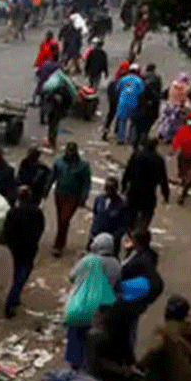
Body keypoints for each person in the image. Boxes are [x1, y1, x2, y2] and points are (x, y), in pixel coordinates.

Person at [66, 234, 123, 368]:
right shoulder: (116, 264)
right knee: (93, 341)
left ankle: (75, 367)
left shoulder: (89, 261)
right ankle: (89, 365)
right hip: (103, 309)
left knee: (75, 337)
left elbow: (72, 277)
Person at [3, 186, 46, 319]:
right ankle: (11, 301)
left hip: (17, 249)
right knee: (23, 274)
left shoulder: (13, 212)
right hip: (29, 248)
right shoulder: (36, 212)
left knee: (18, 271)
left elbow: (7, 231)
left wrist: (11, 245)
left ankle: (15, 298)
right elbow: (41, 228)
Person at [51, 142, 92, 257]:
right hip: (60, 194)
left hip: (73, 196)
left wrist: (83, 198)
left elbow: (86, 183)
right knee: (61, 220)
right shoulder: (59, 162)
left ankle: (58, 245)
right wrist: (45, 191)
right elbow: (52, 177)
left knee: (65, 219)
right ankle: (61, 240)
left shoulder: (83, 166)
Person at [122, 138, 171, 230]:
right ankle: (140, 233)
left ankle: (131, 234)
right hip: (149, 193)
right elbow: (163, 179)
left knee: (131, 216)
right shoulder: (159, 160)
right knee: (146, 216)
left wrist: (123, 186)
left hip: (134, 192)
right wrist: (166, 194)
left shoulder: (136, 156)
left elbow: (127, 172)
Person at [89, 176, 130, 255]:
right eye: (107, 188)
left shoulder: (122, 204)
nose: (108, 191)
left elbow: (124, 224)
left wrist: (115, 237)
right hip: (97, 234)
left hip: (111, 239)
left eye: (111, 189)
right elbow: (96, 215)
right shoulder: (99, 199)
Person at [114, 64, 146, 144]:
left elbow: (118, 89)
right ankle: (132, 139)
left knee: (122, 121)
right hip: (134, 103)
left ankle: (120, 139)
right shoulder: (139, 81)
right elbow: (142, 92)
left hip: (123, 102)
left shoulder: (123, 79)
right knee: (133, 122)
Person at [158, 74, 191, 143]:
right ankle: (169, 137)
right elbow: (184, 99)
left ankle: (161, 134)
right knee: (175, 123)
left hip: (169, 105)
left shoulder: (172, 84)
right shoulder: (185, 88)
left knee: (165, 120)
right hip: (177, 107)